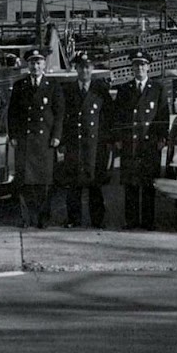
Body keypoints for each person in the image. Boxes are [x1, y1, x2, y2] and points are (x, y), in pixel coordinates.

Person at [7, 49, 62, 228]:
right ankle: (26, 219)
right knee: (25, 182)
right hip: (25, 141)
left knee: (44, 182)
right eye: (32, 63)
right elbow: (12, 114)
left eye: (38, 63)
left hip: (45, 141)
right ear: (27, 65)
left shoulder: (53, 86)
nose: (35, 66)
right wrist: (13, 135)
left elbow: (59, 114)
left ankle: (43, 219)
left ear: (44, 64)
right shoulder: (19, 86)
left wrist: (56, 136)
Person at [112, 51, 166, 230]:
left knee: (148, 182)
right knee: (131, 182)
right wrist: (118, 138)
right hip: (130, 142)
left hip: (149, 142)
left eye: (143, 65)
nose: (139, 69)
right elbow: (118, 116)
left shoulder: (158, 89)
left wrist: (162, 137)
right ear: (132, 68)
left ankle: (148, 221)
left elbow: (162, 115)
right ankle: (131, 220)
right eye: (136, 65)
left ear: (148, 67)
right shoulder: (124, 89)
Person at [57, 53, 111, 228]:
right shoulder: (67, 91)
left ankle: (97, 220)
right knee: (73, 185)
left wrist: (108, 143)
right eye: (81, 67)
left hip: (94, 146)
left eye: (87, 67)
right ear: (76, 69)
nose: (84, 70)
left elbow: (107, 119)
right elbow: (62, 118)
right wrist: (63, 142)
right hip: (74, 145)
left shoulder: (100, 91)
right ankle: (74, 219)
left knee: (94, 184)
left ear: (92, 69)